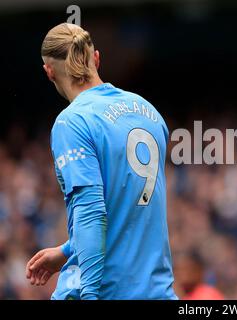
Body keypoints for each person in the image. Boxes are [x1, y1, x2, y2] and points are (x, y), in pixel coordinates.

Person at [25, 23, 177, 300]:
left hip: (107, 290)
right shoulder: (149, 112)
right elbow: (125, 208)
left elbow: (91, 212)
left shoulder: (72, 122)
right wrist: (67, 250)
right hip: (156, 291)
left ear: (49, 72)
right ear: (96, 58)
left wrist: (90, 293)